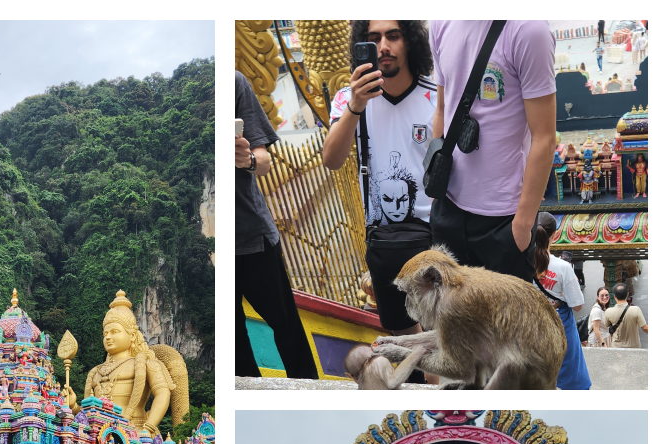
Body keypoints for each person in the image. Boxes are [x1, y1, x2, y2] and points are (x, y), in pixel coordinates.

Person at [324, 20, 436, 339]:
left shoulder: (436, 96)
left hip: (433, 235)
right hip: (383, 239)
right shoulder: (349, 99)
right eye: (374, 39)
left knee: (439, 332)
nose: (383, 46)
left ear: (410, 42)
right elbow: (331, 159)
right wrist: (356, 107)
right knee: (400, 331)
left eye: (393, 36)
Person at [429, 21, 557, 282]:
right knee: (453, 320)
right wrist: (436, 191)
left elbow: (544, 137)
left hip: (504, 221)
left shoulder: (528, 29)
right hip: (449, 207)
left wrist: (522, 225)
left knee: (505, 323)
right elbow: (442, 110)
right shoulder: (441, 22)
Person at [235, 71, 318, 379]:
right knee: (234, 340)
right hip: (213, 249)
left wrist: (248, 160)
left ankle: (308, 390)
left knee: (285, 326)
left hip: (253, 237)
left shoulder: (234, 84)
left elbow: (264, 159)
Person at [533, 212, 589, 389]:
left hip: (531, 323)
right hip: (559, 323)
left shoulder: (521, 262)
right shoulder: (563, 267)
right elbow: (578, 305)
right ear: (554, 235)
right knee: (569, 370)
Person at [604, 282, 648, 348]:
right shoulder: (636, 310)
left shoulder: (608, 312)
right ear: (627, 294)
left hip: (617, 347)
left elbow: (606, 325)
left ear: (615, 296)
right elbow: (645, 328)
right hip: (634, 347)